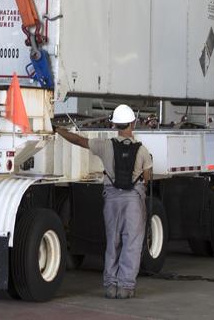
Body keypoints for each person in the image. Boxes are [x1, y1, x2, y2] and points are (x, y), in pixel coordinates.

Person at [56, 105, 152, 299]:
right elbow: (147, 177)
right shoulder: (142, 150)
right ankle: (125, 287)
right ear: (132, 123)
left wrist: (59, 130)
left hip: (111, 198)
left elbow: (79, 140)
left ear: (115, 124)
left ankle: (110, 286)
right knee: (132, 242)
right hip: (133, 199)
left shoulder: (105, 146)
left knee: (113, 241)